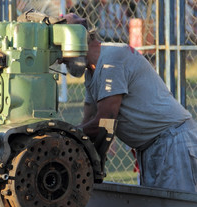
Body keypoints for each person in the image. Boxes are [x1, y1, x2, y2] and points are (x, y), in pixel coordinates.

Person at [61, 13, 197, 193]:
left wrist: (60, 136)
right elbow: (89, 120)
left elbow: (104, 122)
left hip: (172, 142)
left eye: (62, 52)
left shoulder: (112, 60)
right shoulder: (92, 73)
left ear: (74, 41)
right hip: (153, 147)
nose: (63, 60)